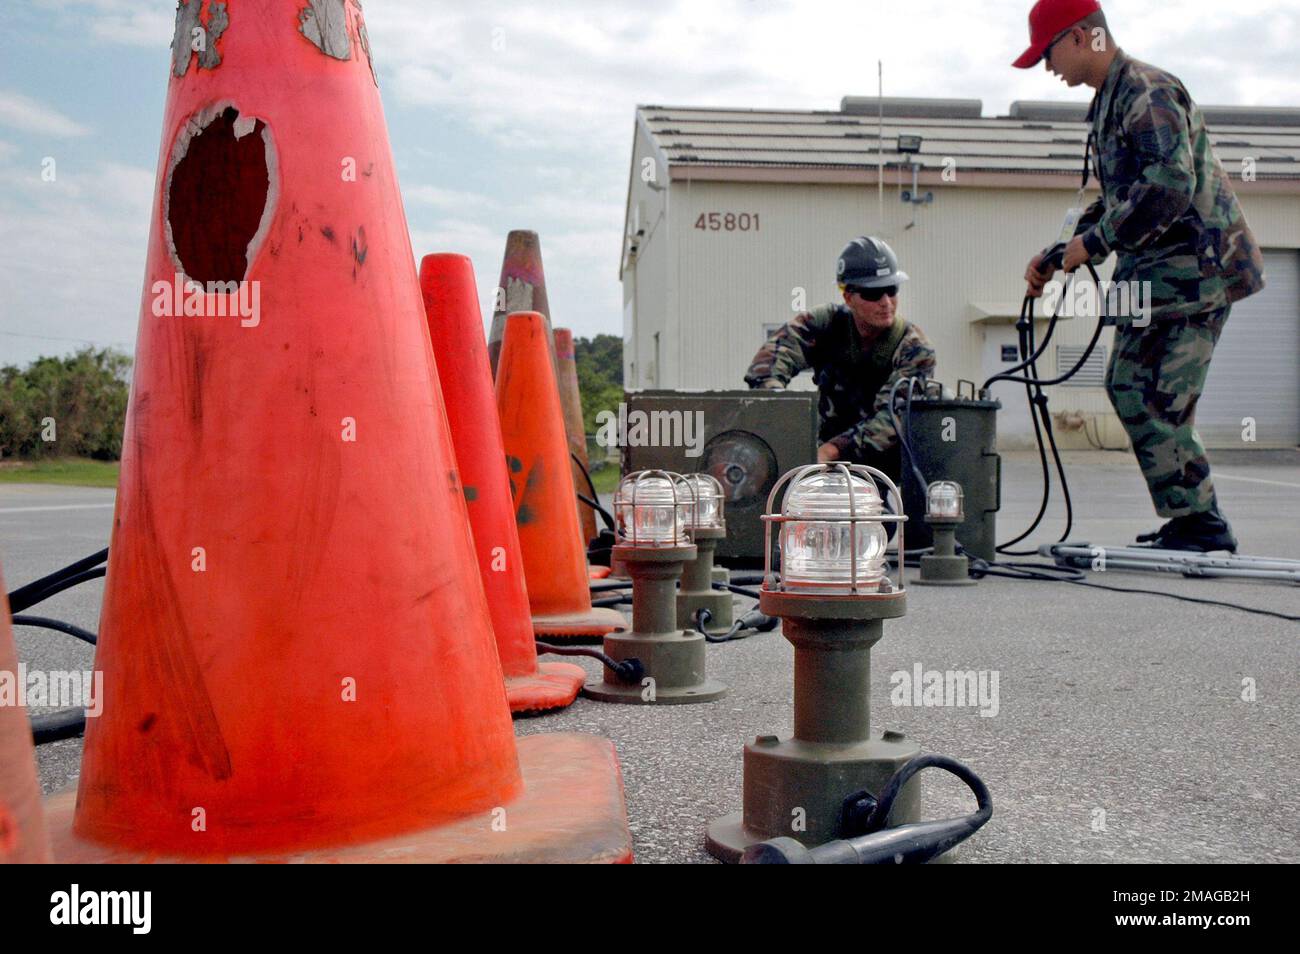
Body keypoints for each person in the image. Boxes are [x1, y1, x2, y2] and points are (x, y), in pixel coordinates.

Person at [1015, 0, 1264, 553]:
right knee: (1128, 383)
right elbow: (1115, 200)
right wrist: (1059, 255)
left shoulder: (1147, 92)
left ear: (1080, 37)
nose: (1048, 67)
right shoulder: (1110, 102)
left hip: (1198, 273)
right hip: (1153, 278)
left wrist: (1094, 243)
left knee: (1160, 395)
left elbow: (1169, 187)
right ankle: (1187, 517)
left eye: (1048, 52)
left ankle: (1204, 525)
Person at [744, 236, 936, 480]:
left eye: (892, 290)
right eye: (874, 293)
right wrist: (781, 415)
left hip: (884, 464)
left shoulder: (914, 347)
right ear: (848, 297)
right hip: (822, 455)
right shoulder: (826, 324)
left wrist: (831, 451)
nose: (886, 302)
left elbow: (894, 418)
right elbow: (769, 363)